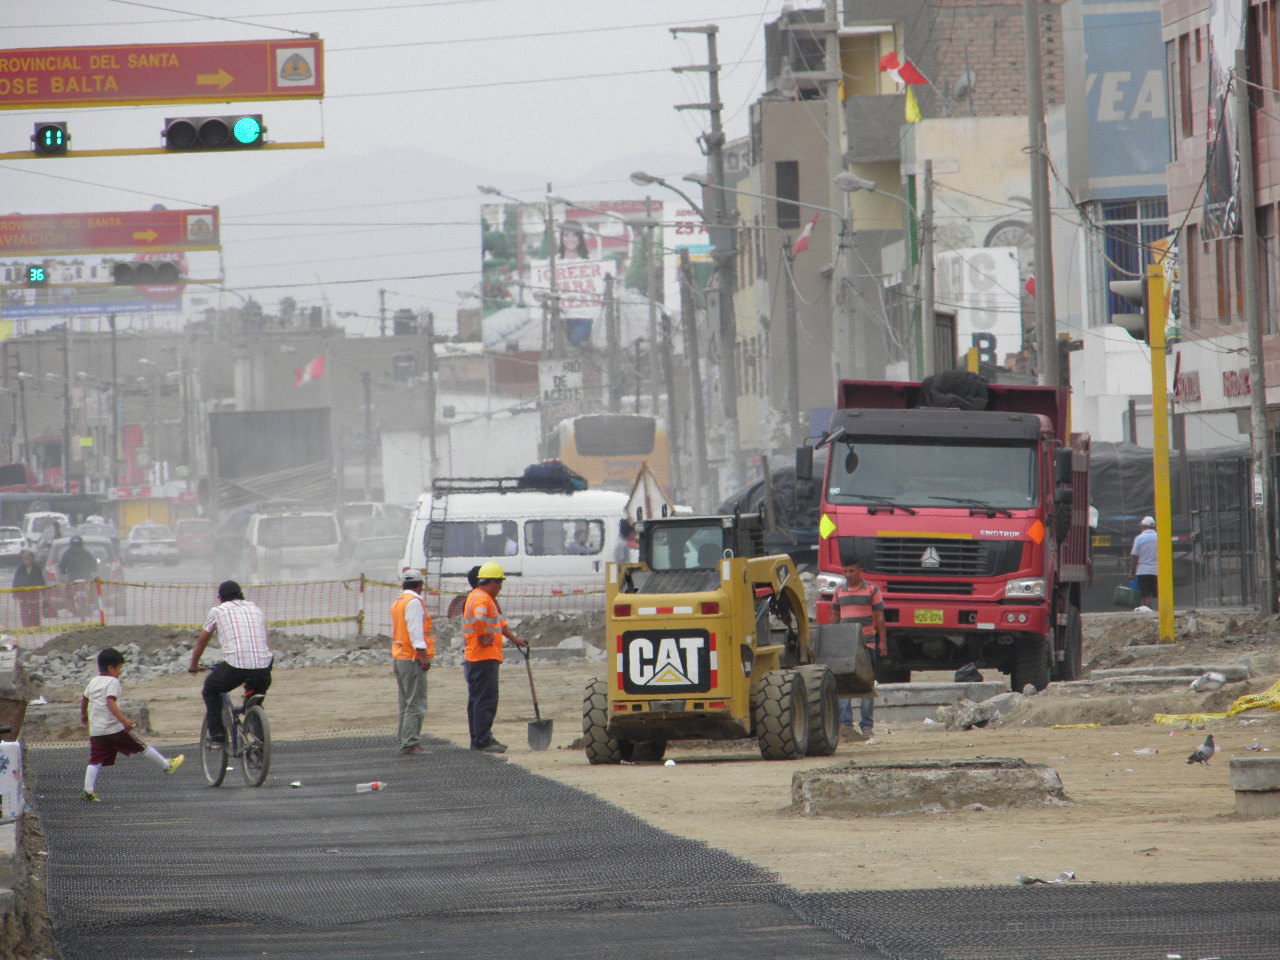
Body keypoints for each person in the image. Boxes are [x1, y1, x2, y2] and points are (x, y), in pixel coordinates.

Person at [80, 647, 184, 801]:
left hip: (96, 730)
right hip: (114, 728)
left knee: (95, 760)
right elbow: (110, 702)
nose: (120, 672)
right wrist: (124, 721)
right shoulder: (112, 682)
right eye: (120, 668)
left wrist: (84, 715)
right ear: (111, 668)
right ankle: (167, 765)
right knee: (141, 745)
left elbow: (84, 699)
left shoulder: (93, 681)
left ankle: (88, 791)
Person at [187, 580, 274, 744]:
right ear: (240, 594)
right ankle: (259, 735)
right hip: (264, 666)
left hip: (236, 666)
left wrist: (193, 666)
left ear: (220, 598)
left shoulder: (217, 611)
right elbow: (263, 639)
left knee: (211, 689)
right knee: (255, 694)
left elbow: (201, 642)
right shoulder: (255, 609)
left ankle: (217, 734)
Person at [462, 561, 527, 753]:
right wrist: (482, 638)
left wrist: (515, 639)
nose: (500, 589)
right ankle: (483, 741)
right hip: (483, 657)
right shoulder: (482, 599)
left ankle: (479, 738)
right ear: (494, 582)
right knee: (485, 700)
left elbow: (500, 624)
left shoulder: (479, 597)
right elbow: (480, 619)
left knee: (476, 700)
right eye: (500, 584)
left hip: (477, 657)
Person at [834, 558, 887, 738]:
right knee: (843, 685)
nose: (848, 575)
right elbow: (835, 616)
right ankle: (845, 725)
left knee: (866, 685)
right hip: (845, 646)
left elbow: (879, 617)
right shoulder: (839, 591)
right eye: (846, 571)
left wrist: (882, 642)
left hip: (867, 645)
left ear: (860, 571)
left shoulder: (872, 590)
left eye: (852, 571)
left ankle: (866, 727)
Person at [391, 570, 434, 755]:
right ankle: (411, 743)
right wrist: (423, 656)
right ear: (420, 585)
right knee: (415, 703)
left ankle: (405, 740)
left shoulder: (398, 602)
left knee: (405, 703)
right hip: (412, 657)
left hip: (400, 656)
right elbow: (415, 631)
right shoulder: (414, 602)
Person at [1130, 515, 1158, 608]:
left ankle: (1149, 613)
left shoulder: (1139, 538)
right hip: (1157, 570)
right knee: (1159, 593)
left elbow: (1134, 556)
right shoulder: (1160, 537)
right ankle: (1162, 612)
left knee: (1146, 594)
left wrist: (1132, 572)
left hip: (1143, 571)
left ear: (1143, 526)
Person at [12, 550, 45, 628]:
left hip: (34, 595)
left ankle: (36, 627)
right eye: (24, 559)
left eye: (27, 559)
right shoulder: (20, 569)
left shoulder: (37, 569)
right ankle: (26, 627)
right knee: (24, 612)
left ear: (32, 560)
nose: (25, 561)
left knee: (35, 612)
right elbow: (16, 581)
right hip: (23, 595)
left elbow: (42, 581)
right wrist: (15, 592)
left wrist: (44, 593)